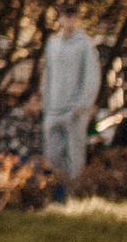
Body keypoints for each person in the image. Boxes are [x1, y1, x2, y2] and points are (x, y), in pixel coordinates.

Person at [40, 12, 102, 185]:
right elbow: (47, 74)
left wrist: (83, 104)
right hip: (53, 108)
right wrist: (46, 102)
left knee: (75, 153)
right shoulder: (53, 44)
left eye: (73, 17)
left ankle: (75, 190)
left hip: (74, 109)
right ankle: (59, 188)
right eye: (67, 17)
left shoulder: (85, 44)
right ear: (60, 19)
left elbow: (91, 76)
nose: (70, 21)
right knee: (52, 153)